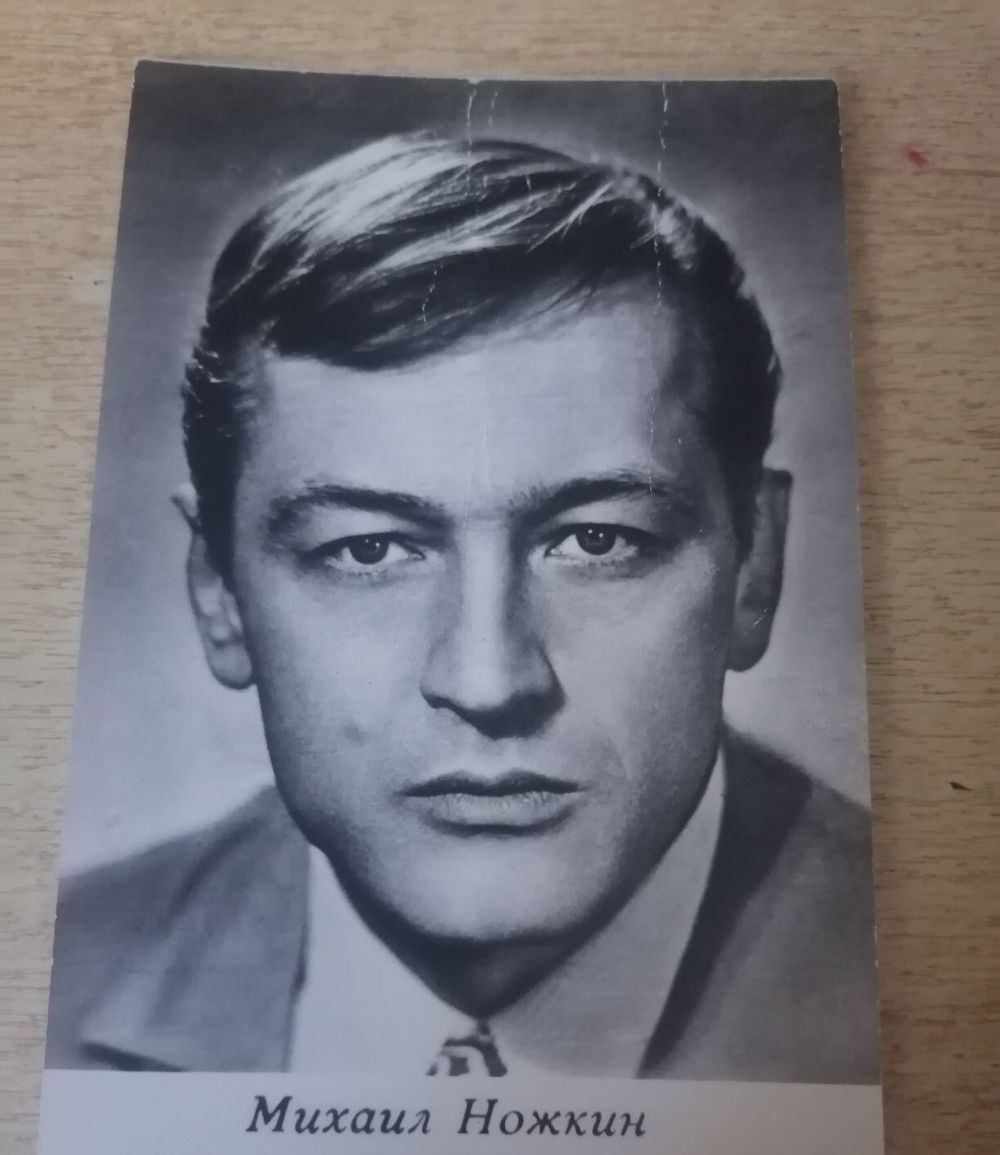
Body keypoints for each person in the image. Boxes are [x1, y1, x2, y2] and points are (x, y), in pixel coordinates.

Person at [45, 133, 879, 1082]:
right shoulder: (44, 984)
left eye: (596, 541)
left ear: (754, 568)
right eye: (368, 550)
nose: (489, 680)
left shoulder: (935, 978)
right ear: (220, 594)